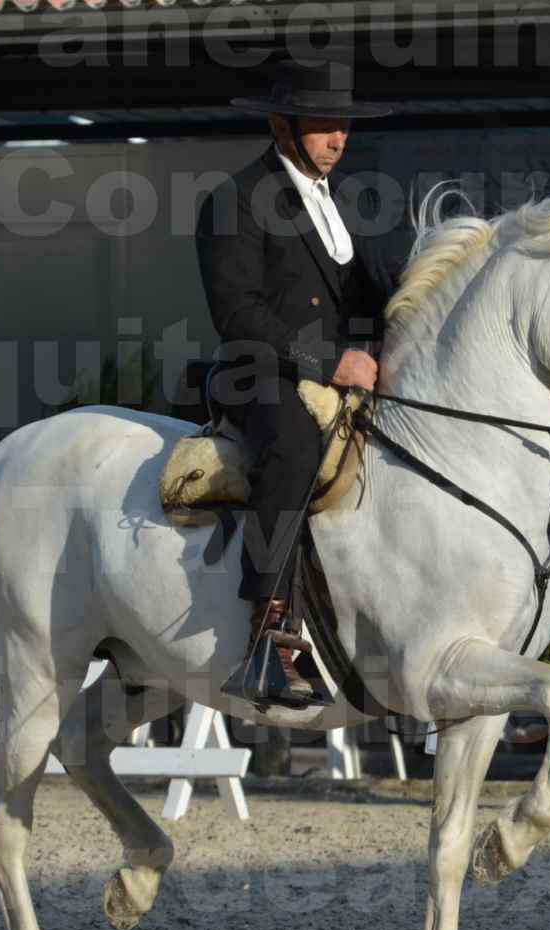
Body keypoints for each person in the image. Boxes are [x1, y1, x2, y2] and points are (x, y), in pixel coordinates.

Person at [195, 56, 390, 704]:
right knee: (296, 448)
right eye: (323, 124)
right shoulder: (235, 200)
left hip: (335, 372)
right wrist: (329, 361)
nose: (338, 137)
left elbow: (361, 300)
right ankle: (265, 633)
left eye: (344, 124)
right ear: (282, 126)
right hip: (258, 374)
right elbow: (238, 313)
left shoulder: (340, 205)